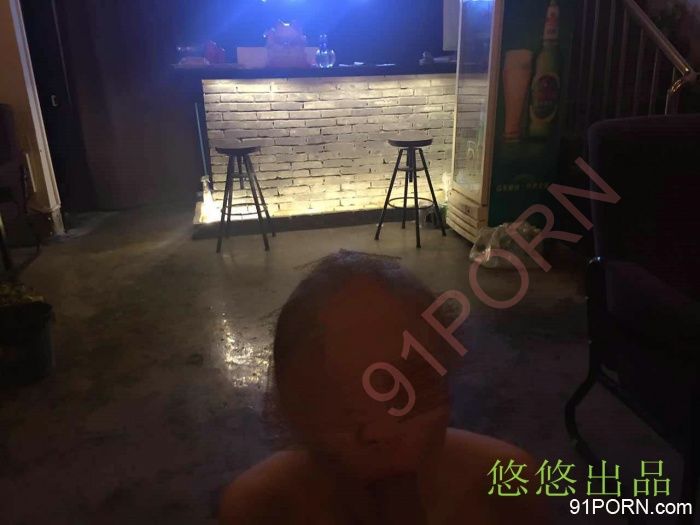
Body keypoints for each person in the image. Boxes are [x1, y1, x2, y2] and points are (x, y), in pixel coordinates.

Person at [220, 251, 550, 524]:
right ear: (291, 417)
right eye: (338, 405)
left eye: (409, 390)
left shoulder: (508, 484)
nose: (381, 431)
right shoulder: (260, 509)